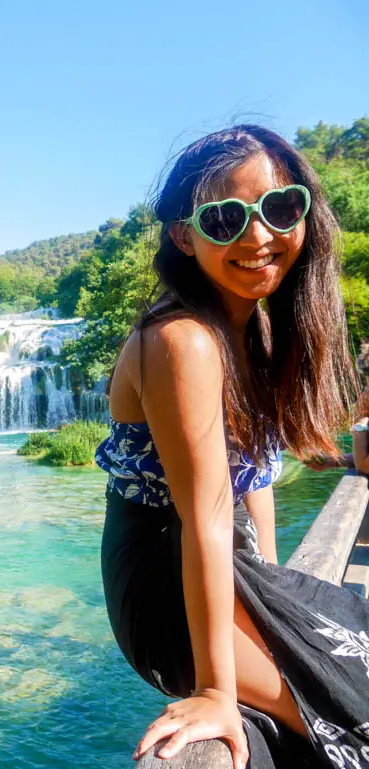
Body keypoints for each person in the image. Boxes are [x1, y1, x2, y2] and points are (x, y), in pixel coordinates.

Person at [95, 125, 369, 769]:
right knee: (347, 714)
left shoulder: (254, 329)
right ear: (185, 235)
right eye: (225, 218)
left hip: (227, 565)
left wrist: (276, 581)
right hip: (166, 583)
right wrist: (217, 690)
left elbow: (257, 477)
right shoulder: (182, 340)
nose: (258, 236)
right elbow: (206, 518)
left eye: (279, 209)